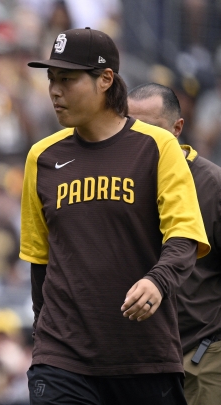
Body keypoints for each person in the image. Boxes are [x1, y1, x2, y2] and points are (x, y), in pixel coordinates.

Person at [20, 27, 210, 405]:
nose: (55, 91)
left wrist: (157, 282)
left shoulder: (157, 147)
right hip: (62, 360)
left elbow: (185, 235)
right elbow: (39, 260)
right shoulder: (41, 157)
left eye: (68, 80)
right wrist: (44, 338)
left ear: (105, 79)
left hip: (144, 358)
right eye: (51, 80)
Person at [128, 83, 221, 405]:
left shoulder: (211, 185)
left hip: (200, 354)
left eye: (150, 129)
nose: (139, 137)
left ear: (177, 128)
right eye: (130, 127)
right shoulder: (119, 183)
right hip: (137, 359)